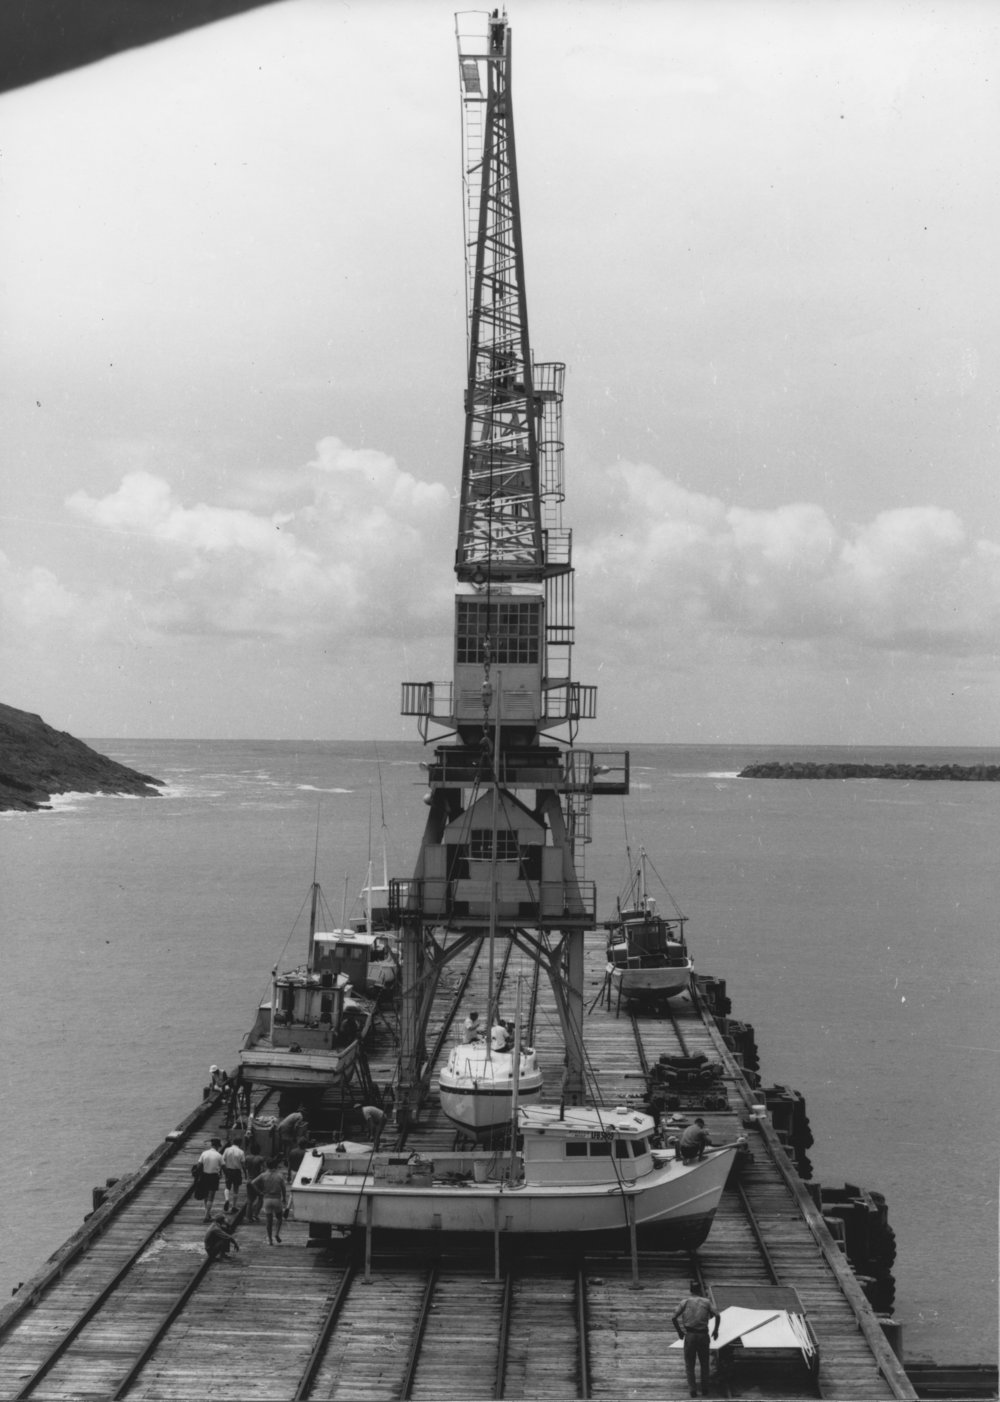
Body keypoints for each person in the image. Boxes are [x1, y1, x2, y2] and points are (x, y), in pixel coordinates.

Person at [672, 1281, 720, 1397]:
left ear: (690, 1290)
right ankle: (705, 1389)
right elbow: (717, 1315)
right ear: (699, 1290)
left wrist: (680, 1332)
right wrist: (715, 1330)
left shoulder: (685, 1302)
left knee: (690, 1364)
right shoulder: (706, 1302)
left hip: (690, 1335)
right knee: (704, 1363)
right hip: (703, 1335)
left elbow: (674, 1317)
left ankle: (693, 1390)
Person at [250, 1158, 289, 1245]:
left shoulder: (263, 1175)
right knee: (279, 1218)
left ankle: (270, 1240)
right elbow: (283, 1188)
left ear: (267, 1166)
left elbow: (252, 1182)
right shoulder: (279, 1175)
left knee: (269, 1221)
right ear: (276, 1166)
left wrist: (259, 1192)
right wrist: (284, 1198)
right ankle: (277, 1234)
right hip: (276, 1199)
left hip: (267, 1199)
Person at [197, 1138, 224, 1222]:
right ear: (217, 1146)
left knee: (206, 1196)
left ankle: (207, 1214)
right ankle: (206, 1216)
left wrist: (199, 1175)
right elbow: (224, 1166)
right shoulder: (219, 1155)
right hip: (214, 1176)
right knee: (211, 1197)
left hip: (205, 1175)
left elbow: (199, 1165)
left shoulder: (204, 1153)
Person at [221, 1139, 246, 1211]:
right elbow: (243, 1164)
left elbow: (222, 1160)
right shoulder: (241, 1152)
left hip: (228, 1170)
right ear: (240, 1143)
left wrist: (222, 1170)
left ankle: (227, 1199)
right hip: (237, 1171)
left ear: (233, 1142)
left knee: (227, 1186)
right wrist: (245, 1173)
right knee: (236, 1188)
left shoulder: (227, 1149)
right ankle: (234, 1206)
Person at [243, 1146, 266, 1222]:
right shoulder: (260, 1158)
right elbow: (263, 1170)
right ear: (259, 1150)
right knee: (260, 1197)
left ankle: (248, 1217)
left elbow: (245, 1167)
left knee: (250, 1200)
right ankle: (255, 1214)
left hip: (249, 1180)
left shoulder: (247, 1157)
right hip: (257, 1180)